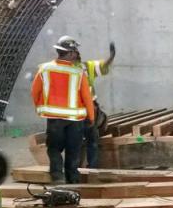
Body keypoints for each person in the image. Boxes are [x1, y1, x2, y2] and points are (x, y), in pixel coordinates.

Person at [31, 35, 95, 184]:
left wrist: (40, 108)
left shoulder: (44, 69)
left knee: (54, 148)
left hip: (54, 119)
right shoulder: (78, 73)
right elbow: (87, 97)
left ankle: (57, 177)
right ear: (71, 53)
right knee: (73, 150)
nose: (77, 54)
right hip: (75, 120)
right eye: (76, 51)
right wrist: (91, 117)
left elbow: (35, 92)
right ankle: (73, 178)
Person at [78, 41, 116, 168]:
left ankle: (83, 168)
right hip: (80, 111)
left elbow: (103, 65)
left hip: (86, 110)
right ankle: (87, 168)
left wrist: (111, 56)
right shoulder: (81, 68)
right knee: (89, 139)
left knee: (86, 139)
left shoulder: (86, 67)